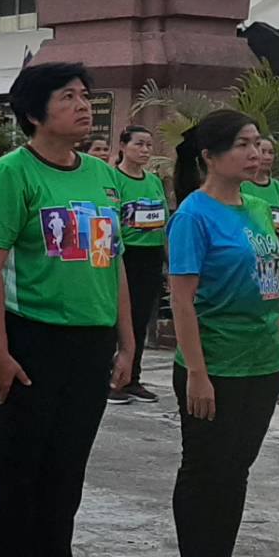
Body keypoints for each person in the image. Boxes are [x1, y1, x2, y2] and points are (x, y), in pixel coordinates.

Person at [0, 63, 137, 557]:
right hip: (30, 339)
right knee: (20, 473)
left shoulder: (100, 176)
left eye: (86, 96)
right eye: (68, 97)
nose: (83, 105)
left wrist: (127, 340)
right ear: (34, 113)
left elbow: (109, 260)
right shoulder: (12, 175)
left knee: (66, 474)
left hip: (89, 344)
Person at [164, 109, 279, 557]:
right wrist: (197, 372)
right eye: (242, 144)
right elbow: (181, 299)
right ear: (209, 156)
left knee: (237, 467)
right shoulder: (193, 216)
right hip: (214, 362)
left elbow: (272, 289)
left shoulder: (259, 209)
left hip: (258, 361)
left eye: (256, 143)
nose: (254, 152)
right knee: (203, 465)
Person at [111, 125, 167, 404]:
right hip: (125, 255)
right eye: (139, 144)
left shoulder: (154, 181)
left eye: (148, 145)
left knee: (141, 317)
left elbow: (163, 222)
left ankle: (132, 377)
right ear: (123, 146)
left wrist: (169, 259)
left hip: (151, 255)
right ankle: (112, 379)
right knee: (119, 317)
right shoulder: (113, 178)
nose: (145, 150)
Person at [243, 138, 279, 242]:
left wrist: (278, 243)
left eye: (271, 153)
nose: (268, 157)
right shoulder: (241, 185)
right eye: (263, 152)